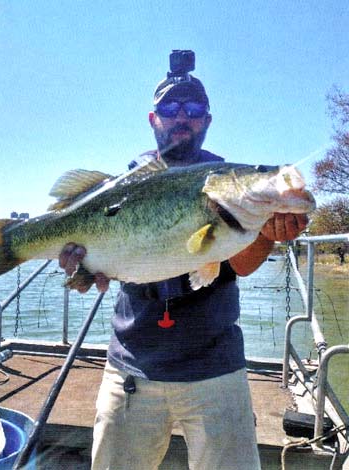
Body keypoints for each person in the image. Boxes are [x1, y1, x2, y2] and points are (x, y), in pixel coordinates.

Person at [59, 52, 308, 470]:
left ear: (207, 120)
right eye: (170, 109)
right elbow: (95, 253)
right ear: (153, 118)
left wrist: (266, 231)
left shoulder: (223, 180)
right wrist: (82, 266)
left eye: (193, 109)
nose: (182, 117)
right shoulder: (128, 180)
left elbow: (240, 266)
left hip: (215, 367)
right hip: (133, 366)